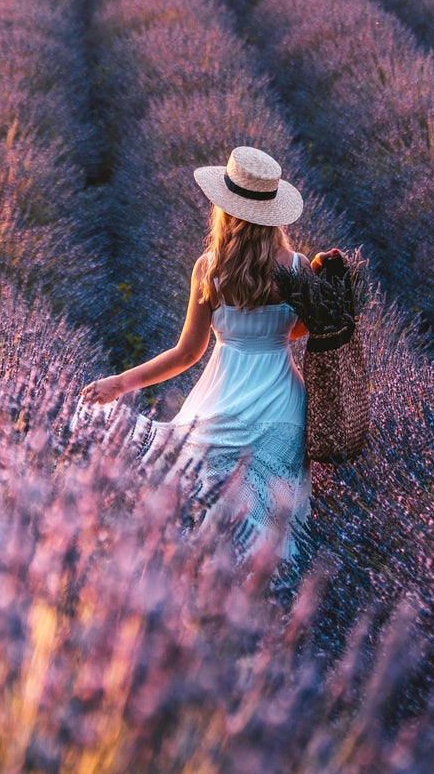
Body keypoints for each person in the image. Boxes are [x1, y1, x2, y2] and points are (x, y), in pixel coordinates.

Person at [79, 146, 313, 551]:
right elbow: (302, 329)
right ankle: (277, 603)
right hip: (282, 407)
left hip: (224, 399)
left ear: (226, 208)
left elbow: (186, 354)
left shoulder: (210, 268)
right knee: (273, 521)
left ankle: (212, 598)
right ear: (273, 212)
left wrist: (119, 383)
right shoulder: (298, 267)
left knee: (215, 516)